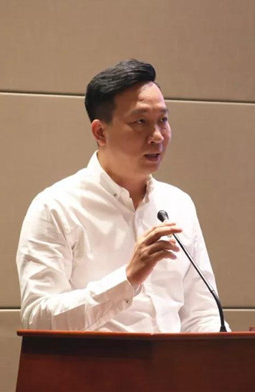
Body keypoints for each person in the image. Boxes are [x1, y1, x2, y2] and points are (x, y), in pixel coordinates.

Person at [16, 59, 227, 332]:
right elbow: (39, 319)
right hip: (96, 361)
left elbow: (202, 315)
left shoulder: (178, 204)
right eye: (140, 122)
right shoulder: (55, 207)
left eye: (163, 120)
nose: (157, 136)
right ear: (100, 132)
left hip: (172, 361)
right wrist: (127, 279)